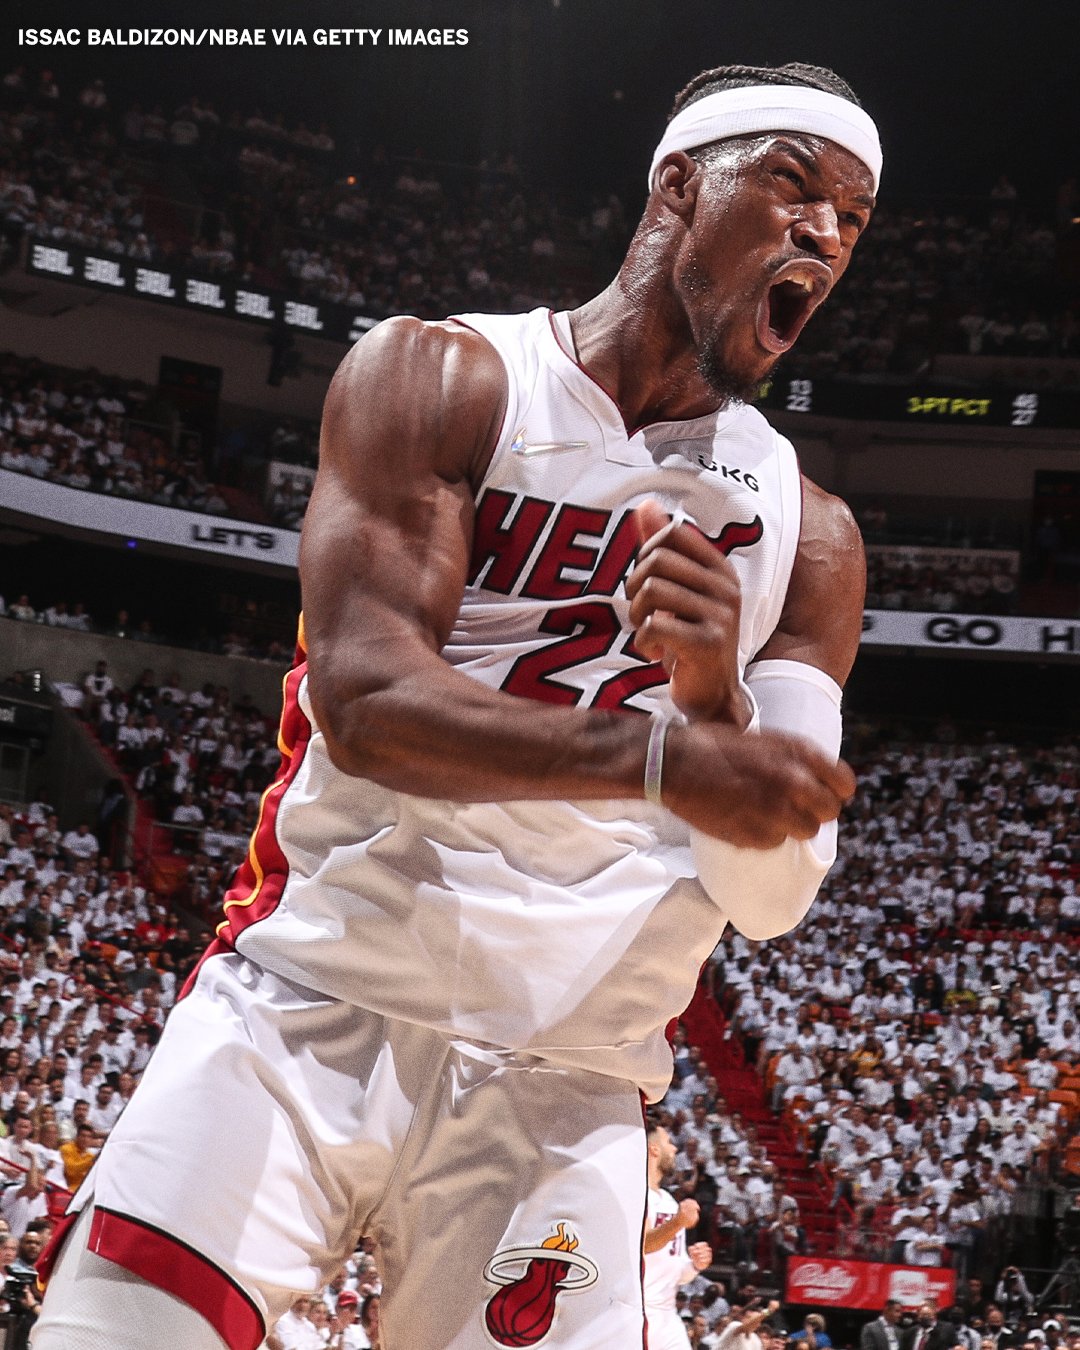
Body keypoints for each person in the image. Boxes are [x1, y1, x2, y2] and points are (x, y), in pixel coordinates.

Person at [35, 59, 880, 1350]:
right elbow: (370, 702)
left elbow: (771, 897)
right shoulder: (445, 375)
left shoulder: (812, 539)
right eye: (793, 184)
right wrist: (665, 758)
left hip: (565, 1083)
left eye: (853, 218)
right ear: (677, 186)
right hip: (312, 1006)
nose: (825, 230)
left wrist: (717, 709)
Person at [644, 1118, 713, 1350]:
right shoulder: (635, 1194)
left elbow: (678, 1273)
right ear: (654, 1149)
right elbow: (643, 1244)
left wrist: (694, 1265)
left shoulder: (669, 1201)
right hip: (636, 1311)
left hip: (667, 1314)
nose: (674, 1148)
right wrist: (678, 1222)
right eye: (668, 1142)